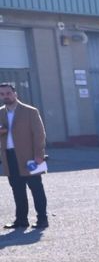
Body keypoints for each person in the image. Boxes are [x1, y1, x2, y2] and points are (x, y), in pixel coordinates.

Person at [0, 81, 49, 230]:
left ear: (15, 94)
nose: (6, 96)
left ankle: (42, 219)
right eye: (2, 94)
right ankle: (21, 220)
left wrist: (39, 155)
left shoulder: (30, 111)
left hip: (31, 157)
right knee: (17, 190)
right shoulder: (0, 112)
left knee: (36, 188)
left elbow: (39, 134)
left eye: (8, 93)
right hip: (9, 157)